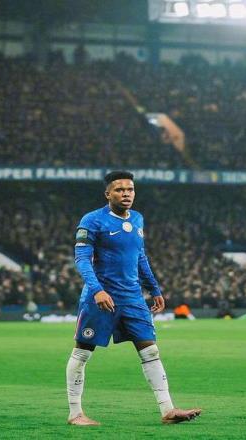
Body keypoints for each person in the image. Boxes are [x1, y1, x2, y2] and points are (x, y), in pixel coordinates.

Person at [66, 171, 201, 426]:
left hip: (133, 298)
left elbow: (140, 257)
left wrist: (154, 289)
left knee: (150, 350)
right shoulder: (92, 220)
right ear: (108, 194)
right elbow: (82, 259)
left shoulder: (138, 219)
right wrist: (97, 290)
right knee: (82, 353)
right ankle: (75, 414)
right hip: (101, 299)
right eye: (119, 190)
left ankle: (168, 410)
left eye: (130, 189)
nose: (126, 194)